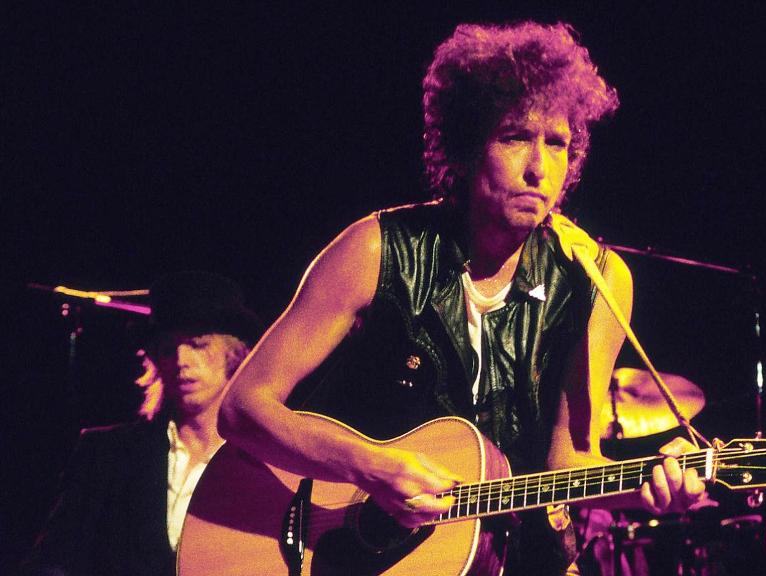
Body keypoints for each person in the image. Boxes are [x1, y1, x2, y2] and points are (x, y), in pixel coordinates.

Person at [217, 21, 705, 575]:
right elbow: (242, 408)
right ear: (468, 144)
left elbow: (568, 464)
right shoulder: (376, 251)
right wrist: (369, 466)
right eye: (514, 137)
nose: (539, 169)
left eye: (557, 144)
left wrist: (651, 486)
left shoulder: (595, 280)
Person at [20, 271, 262, 576]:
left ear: (234, 353)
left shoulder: (264, 463)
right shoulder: (105, 453)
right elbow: (52, 560)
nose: (181, 359)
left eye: (197, 344)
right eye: (167, 348)